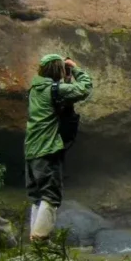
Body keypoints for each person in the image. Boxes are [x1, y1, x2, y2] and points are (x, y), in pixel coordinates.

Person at [25, 54, 92, 242]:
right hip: (47, 150)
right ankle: (40, 240)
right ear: (57, 70)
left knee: (37, 197)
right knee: (50, 196)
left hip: (31, 151)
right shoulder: (52, 89)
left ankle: (35, 241)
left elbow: (60, 103)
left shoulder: (35, 89)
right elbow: (85, 88)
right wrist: (76, 68)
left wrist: (66, 80)